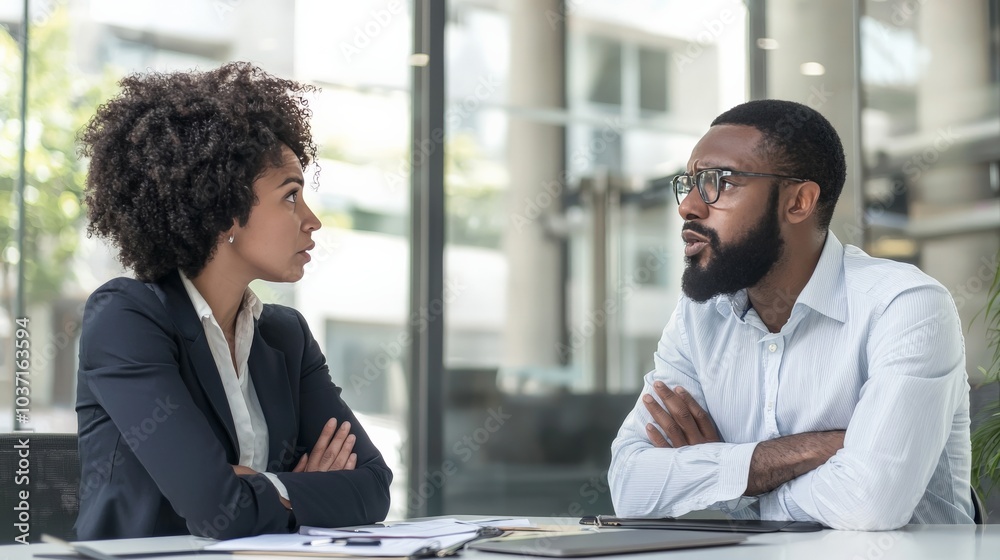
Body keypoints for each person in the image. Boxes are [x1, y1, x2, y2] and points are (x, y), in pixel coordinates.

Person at [608, 99, 973, 530]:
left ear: (799, 202)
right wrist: (800, 453)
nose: (688, 206)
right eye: (688, 183)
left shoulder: (905, 305)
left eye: (717, 182)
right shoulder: (697, 318)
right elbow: (630, 486)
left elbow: (869, 503)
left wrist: (727, 482)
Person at [74, 62, 392, 540]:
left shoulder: (287, 337)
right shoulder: (127, 319)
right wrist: (298, 490)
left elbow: (372, 487)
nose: (312, 221)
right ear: (225, 211)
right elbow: (216, 509)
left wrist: (257, 486)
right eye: (290, 196)